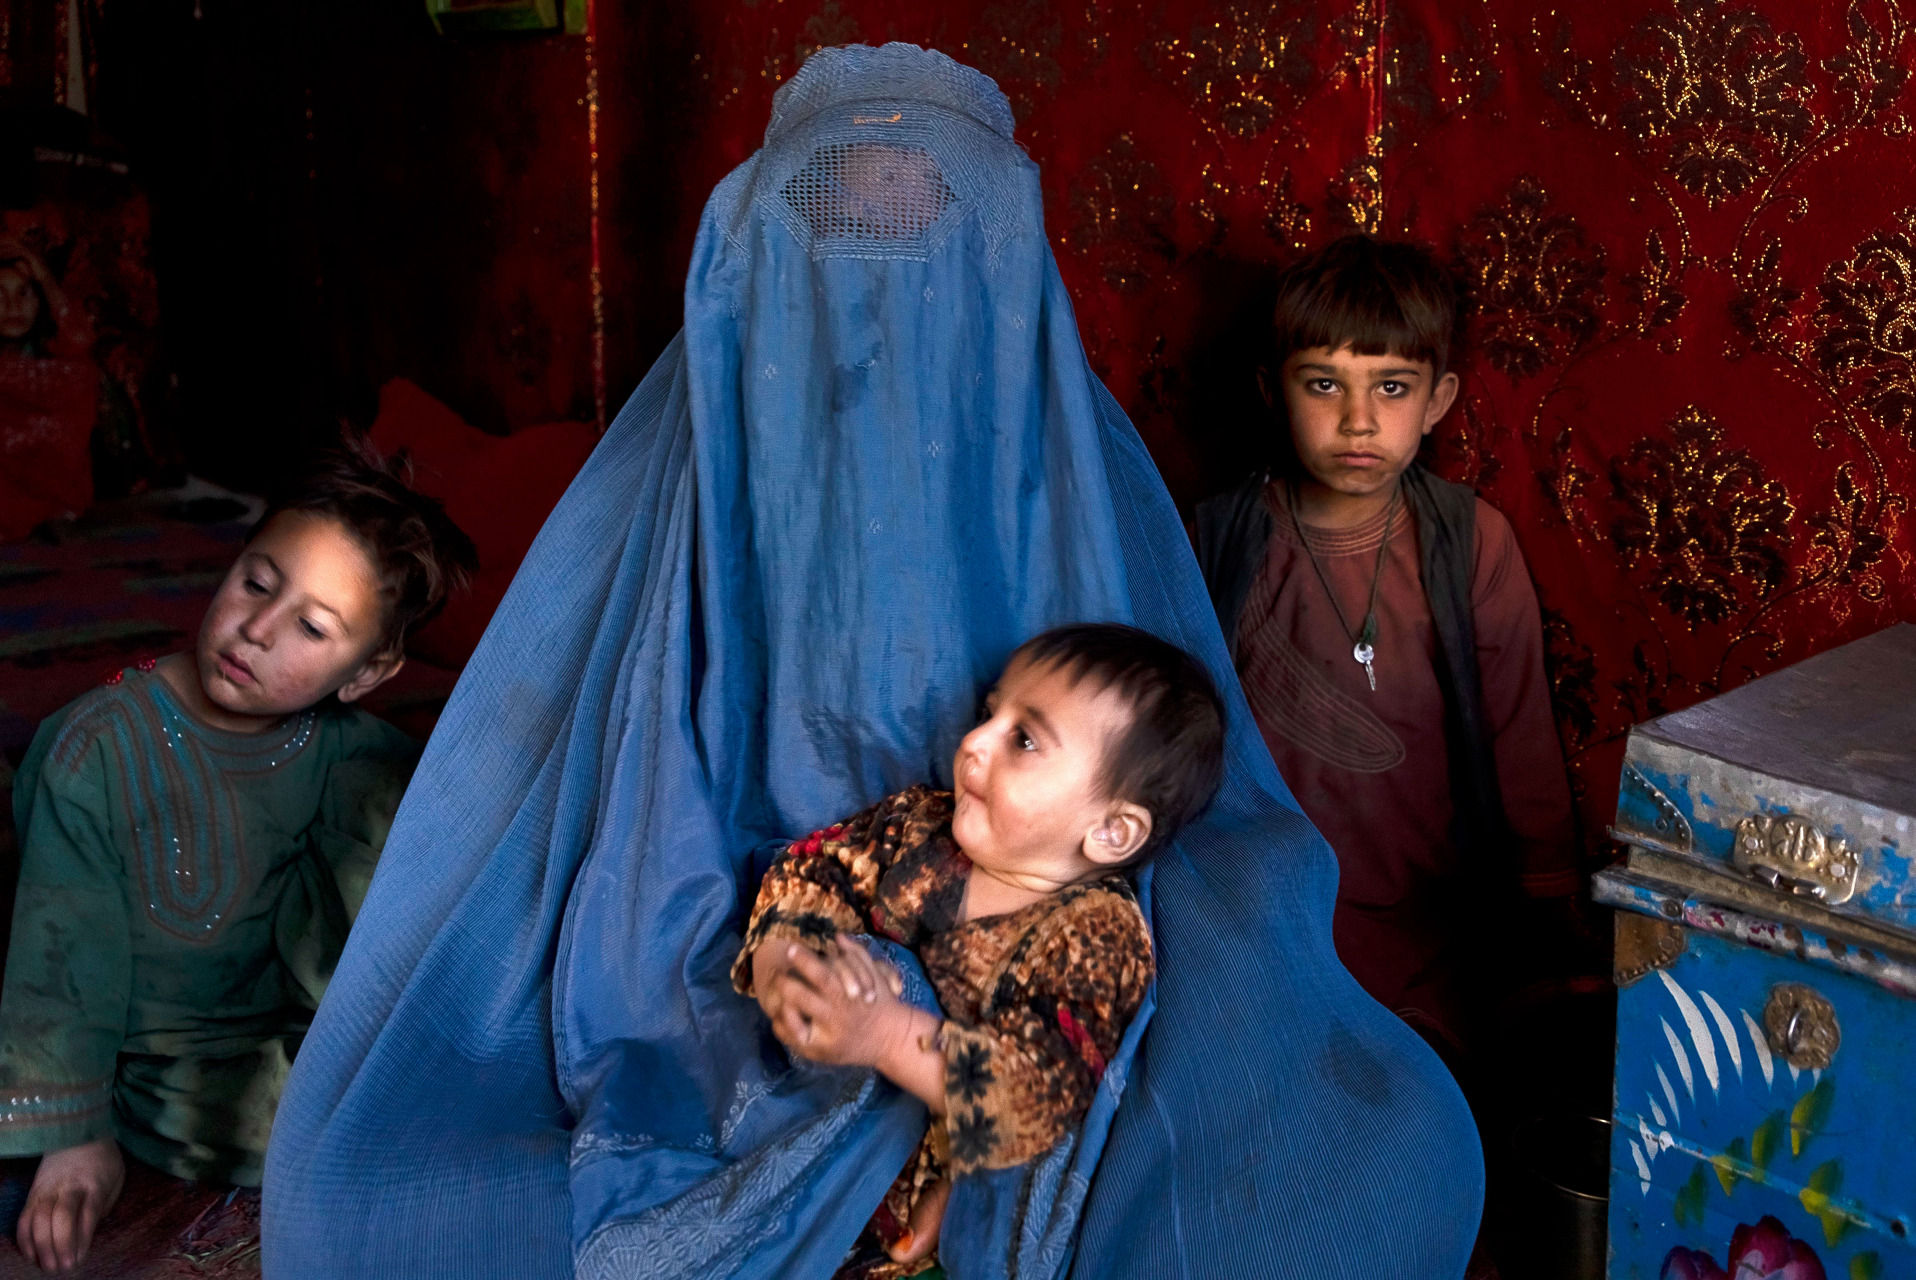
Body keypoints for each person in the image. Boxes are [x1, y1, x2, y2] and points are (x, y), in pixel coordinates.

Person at [265, 44, 1484, 1280]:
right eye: (840, 233)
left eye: (923, 239)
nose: (878, 294)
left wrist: (926, 1019)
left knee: (1383, 1154)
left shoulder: (1051, 448)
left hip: (1040, 896)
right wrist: (790, 961)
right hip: (736, 935)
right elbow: (664, 818)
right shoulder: (732, 423)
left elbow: (1135, 766)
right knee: (388, 1189)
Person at [0, 441, 475, 1272]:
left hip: (312, 1031)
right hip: (175, 1067)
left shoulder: (360, 755)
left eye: (311, 628)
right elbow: (61, 957)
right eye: (257, 582)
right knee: (348, 1130)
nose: (256, 630)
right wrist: (74, 1137)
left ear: (366, 672)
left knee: (466, 1067)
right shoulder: (95, 753)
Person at [1191, 233, 1581, 1065]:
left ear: (1437, 400)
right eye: (1323, 384)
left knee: (1413, 1086)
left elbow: (1522, 743)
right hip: (1262, 908)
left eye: (1392, 388)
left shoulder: (1470, 543)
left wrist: (1548, 912)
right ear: (1272, 391)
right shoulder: (1219, 537)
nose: (1358, 421)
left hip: (1432, 925)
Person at [737, 624, 1222, 1277]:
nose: (974, 742)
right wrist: (782, 963)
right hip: (791, 1124)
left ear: (1111, 831)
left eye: (1024, 740)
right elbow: (813, 873)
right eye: (990, 714)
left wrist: (885, 1035)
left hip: (906, 1213)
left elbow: (1031, 1095)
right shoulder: (919, 825)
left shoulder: (1097, 939)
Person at [0, 238, 98, 539]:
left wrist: (43, 274)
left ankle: (50, 507)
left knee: (82, 375)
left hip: (47, 476)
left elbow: (81, 339)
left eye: (25, 293)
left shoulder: (53, 356)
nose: (13, 306)